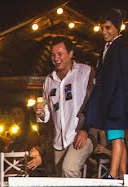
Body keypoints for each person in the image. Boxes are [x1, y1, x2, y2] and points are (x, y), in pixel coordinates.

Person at [35, 37, 94, 178]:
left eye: (60, 54)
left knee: (69, 168)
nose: (56, 58)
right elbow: (47, 114)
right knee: (59, 180)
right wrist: (41, 113)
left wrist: (85, 129)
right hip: (59, 140)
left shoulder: (85, 72)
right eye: (53, 55)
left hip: (81, 134)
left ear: (71, 53)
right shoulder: (48, 80)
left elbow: (95, 102)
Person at [85, 9, 128, 179]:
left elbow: (124, 78)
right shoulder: (109, 47)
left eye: (108, 27)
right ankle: (123, 173)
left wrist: (119, 102)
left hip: (116, 101)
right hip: (111, 100)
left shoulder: (121, 46)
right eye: (102, 28)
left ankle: (113, 173)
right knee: (118, 137)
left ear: (117, 27)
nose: (104, 32)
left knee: (116, 138)